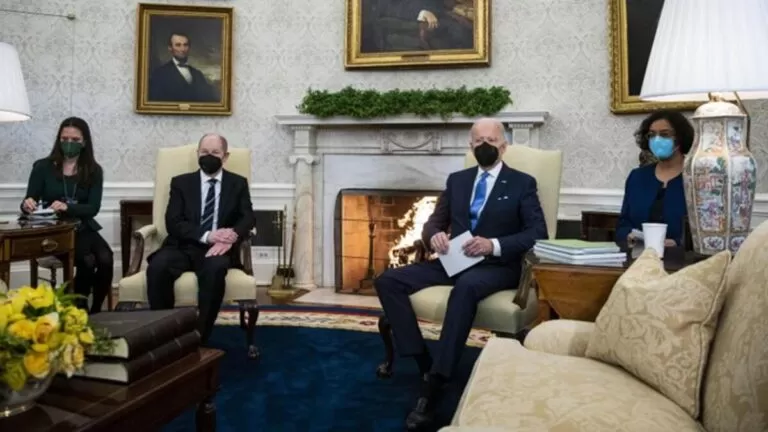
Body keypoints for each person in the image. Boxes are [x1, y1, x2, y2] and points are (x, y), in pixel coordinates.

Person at [374, 118, 548, 430]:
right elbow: (433, 223)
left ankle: (436, 384)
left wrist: (493, 244)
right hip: (454, 260)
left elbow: (537, 233)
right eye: (479, 141)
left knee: (466, 287)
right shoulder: (458, 180)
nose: (485, 146)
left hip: (498, 266)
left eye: (491, 141)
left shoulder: (522, 183)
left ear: (503, 146)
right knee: (388, 280)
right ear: (470, 146)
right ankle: (423, 361)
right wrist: (435, 237)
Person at [145, 134, 254, 343]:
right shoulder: (181, 183)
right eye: (204, 152)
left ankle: (199, 337)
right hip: (182, 246)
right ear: (197, 154)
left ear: (225, 156)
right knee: (158, 267)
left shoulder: (237, 183)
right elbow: (173, 222)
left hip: (217, 249)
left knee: (215, 269)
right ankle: (165, 334)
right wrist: (207, 235)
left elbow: (248, 217)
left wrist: (231, 236)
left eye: (215, 153)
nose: (208, 156)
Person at [21, 117, 113, 314]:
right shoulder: (43, 167)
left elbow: (93, 208)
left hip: (83, 226)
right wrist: (27, 204)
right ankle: (80, 307)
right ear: (59, 139)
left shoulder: (94, 171)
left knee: (106, 259)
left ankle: (97, 309)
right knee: (87, 261)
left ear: (84, 142)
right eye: (65, 139)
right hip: (55, 230)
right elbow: (29, 199)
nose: (69, 143)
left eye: (75, 139)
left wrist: (67, 207)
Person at [616, 110, 694, 247]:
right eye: (652, 135)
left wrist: (676, 243)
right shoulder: (637, 177)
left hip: (683, 257)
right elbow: (623, 225)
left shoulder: (696, 178)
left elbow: (705, 231)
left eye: (665, 134)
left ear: (680, 138)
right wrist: (628, 235)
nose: (657, 140)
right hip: (639, 254)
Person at [148, 32, 218, 103]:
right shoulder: (160, 74)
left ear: (189, 47)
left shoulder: (198, 74)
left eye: (185, 45)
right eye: (178, 45)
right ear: (170, 48)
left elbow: (209, 100)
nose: (183, 49)